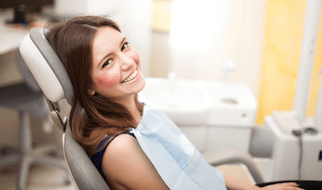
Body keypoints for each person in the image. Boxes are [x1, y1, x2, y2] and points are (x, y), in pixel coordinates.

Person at [45, 16, 304, 190]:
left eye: (124, 46)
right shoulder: (120, 147)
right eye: (107, 62)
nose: (128, 61)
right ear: (87, 85)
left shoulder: (140, 109)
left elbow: (195, 167)